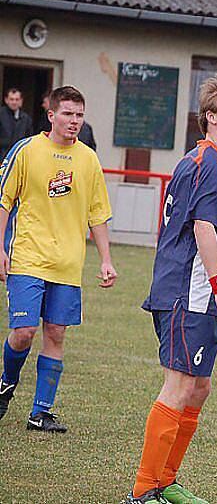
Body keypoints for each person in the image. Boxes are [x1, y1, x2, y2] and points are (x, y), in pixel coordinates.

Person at [125, 73, 217, 504]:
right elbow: (202, 228)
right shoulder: (208, 162)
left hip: (196, 293)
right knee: (179, 384)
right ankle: (143, 490)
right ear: (210, 118)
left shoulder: (209, 162)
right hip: (187, 295)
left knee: (199, 386)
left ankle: (165, 481)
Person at [0, 85, 116, 432]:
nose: (74, 121)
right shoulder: (28, 150)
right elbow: (4, 201)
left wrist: (106, 260)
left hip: (68, 264)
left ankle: (41, 412)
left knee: (56, 333)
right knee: (23, 332)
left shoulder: (88, 159)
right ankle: (6, 382)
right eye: (67, 113)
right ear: (51, 115)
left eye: (79, 115)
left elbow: (98, 213)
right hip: (27, 258)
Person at [0, 88, 33, 162]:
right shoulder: (1, 115)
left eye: (17, 99)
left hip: (18, 159)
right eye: (11, 99)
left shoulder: (26, 119)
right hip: (2, 158)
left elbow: (29, 140)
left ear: (21, 101)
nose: (14, 102)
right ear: (6, 100)